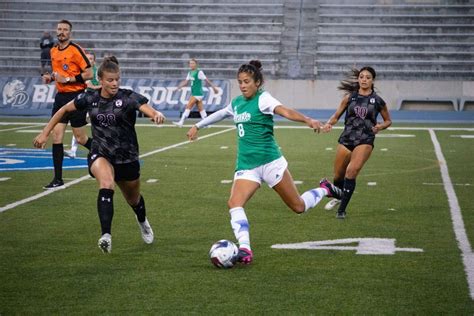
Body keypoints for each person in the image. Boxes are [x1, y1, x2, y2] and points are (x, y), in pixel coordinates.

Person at [186, 60, 341, 265]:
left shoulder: (263, 99)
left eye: (247, 81)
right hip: (246, 166)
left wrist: (308, 120)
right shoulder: (237, 103)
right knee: (234, 203)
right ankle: (245, 249)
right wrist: (198, 125)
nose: (243, 85)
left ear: (257, 82)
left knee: (298, 207)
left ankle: (325, 189)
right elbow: (221, 113)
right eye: (240, 82)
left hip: (270, 163)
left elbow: (284, 110)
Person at [34, 56, 166, 253]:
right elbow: (63, 110)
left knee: (134, 200)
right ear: (101, 80)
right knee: (106, 183)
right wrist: (45, 133)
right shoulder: (89, 98)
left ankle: (142, 220)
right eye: (110, 80)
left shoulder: (128, 97)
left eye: (117, 79)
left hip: (127, 157)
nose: (114, 83)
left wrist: (156, 114)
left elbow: (146, 108)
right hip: (101, 152)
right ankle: (106, 235)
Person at [321, 66, 392, 219]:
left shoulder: (378, 101)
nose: (364, 79)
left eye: (367, 77)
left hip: (365, 139)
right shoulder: (350, 98)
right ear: (358, 79)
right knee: (338, 176)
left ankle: (341, 210)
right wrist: (329, 124)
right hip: (347, 137)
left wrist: (380, 126)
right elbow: (336, 115)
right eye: (361, 77)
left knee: (351, 172)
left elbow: (388, 121)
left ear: (372, 80)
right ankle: (338, 195)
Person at [41, 19, 93, 188]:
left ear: (70, 33)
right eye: (59, 29)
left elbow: (89, 73)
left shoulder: (76, 50)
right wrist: (50, 78)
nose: (61, 32)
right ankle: (58, 178)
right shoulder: (53, 50)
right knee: (57, 137)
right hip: (61, 97)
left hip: (77, 97)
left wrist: (68, 79)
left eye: (65, 29)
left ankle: (101, 151)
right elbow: (58, 73)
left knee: (81, 138)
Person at [65, 52, 101, 159]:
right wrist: (102, 86)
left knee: (95, 125)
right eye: (87, 58)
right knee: (79, 125)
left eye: (91, 58)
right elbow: (90, 85)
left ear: (94, 61)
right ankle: (73, 150)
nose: (89, 60)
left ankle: (101, 148)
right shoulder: (86, 71)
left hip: (96, 100)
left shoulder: (98, 71)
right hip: (88, 100)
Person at [173, 58, 219, 127]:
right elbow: (185, 82)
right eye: (190, 63)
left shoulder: (199, 72)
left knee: (188, 106)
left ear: (196, 64)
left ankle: (181, 122)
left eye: (193, 63)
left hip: (197, 93)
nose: (191, 65)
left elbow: (207, 80)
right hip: (195, 93)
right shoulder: (190, 72)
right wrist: (177, 88)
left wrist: (214, 87)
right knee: (201, 109)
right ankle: (207, 124)